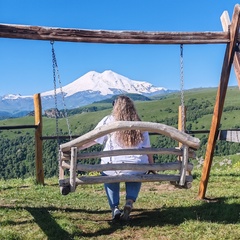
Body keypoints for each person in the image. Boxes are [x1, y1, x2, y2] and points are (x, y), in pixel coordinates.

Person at [80, 95, 154, 220]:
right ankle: (129, 202)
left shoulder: (108, 120)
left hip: (112, 166)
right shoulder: (139, 122)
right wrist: (151, 166)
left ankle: (114, 208)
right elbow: (147, 148)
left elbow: (93, 139)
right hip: (136, 166)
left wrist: (79, 147)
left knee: (109, 176)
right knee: (135, 174)